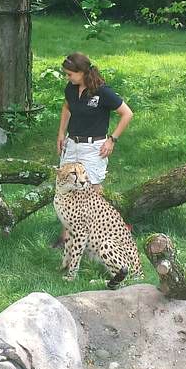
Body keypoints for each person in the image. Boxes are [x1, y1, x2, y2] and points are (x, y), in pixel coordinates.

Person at [53, 52, 133, 247]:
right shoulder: (71, 89)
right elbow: (67, 108)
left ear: (82, 72)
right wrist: (61, 133)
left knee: (92, 192)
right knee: (66, 188)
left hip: (94, 147)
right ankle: (65, 238)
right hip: (72, 144)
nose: (67, 77)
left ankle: (92, 238)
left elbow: (127, 114)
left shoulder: (102, 91)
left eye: (70, 74)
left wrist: (112, 140)